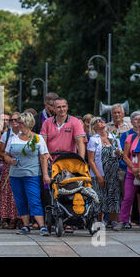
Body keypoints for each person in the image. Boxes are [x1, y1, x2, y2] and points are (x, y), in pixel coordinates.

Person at [40, 97, 85, 233]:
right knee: (53, 192)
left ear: (67, 107)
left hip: (69, 162)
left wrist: (80, 161)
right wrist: (45, 155)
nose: (61, 109)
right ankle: (55, 219)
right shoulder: (47, 123)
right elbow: (43, 143)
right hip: (52, 162)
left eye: (64, 106)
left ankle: (70, 221)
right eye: (58, 107)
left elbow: (80, 143)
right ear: (53, 109)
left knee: (70, 190)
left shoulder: (74, 122)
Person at [4, 112, 51, 236]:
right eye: (18, 122)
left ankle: (42, 226)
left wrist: (45, 174)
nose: (18, 125)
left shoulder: (38, 138)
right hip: (15, 175)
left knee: (34, 199)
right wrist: (10, 161)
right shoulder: (13, 138)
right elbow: (6, 155)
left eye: (21, 123)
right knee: (20, 200)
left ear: (29, 124)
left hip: (32, 174)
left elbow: (43, 157)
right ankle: (25, 225)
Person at [87, 117, 123, 230]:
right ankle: (98, 221)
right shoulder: (93, 140)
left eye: (102, 120)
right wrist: (98, 176)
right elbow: (91, 160)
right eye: (97, 121)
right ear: (94, 127)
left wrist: (119, 153)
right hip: (99, 173)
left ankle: (113, 221)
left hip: (112, 172)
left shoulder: (113, 137)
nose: (100, 121)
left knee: (113, 196)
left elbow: (119, 152)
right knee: (99, 197)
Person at [116, 115, 140, 229]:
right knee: (128, 197)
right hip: (132, 172)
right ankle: (123, 221)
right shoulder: (131, 137)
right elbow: (125, 156)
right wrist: (133, 168)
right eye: (139, 123)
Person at [0, 112, 21, 229]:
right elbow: (1, 152)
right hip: (9, 166)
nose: (14, 122)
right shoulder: (6, 135)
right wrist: (10, 158)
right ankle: (8, 218)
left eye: (16, 120)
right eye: (12, 120)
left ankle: (20, 218)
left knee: (20, 191)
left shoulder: (25, 134)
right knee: (7, 193)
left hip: (22, 165)